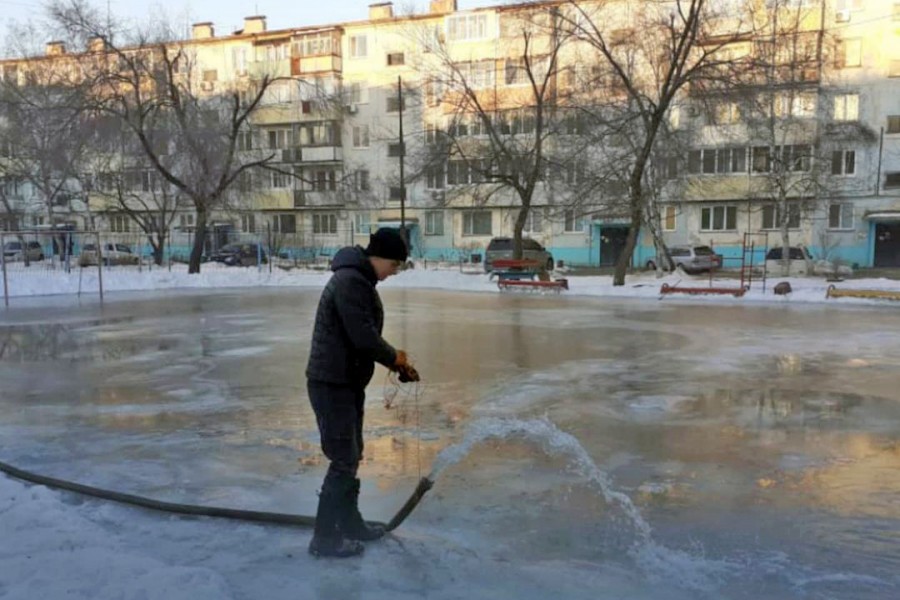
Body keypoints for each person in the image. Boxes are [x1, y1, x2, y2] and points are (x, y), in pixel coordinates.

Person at [305, 228, 420, 558]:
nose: (394, 272)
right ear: (379, 257)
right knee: (343, 458)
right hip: (331, 383)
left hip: (345, 381)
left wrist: (396, 364)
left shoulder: (358, 279)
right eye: (394, 265)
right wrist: (395, 358)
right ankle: (325, 539)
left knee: (351, 454)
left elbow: (362, 336)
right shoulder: (352, 281)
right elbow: (362, 336)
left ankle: (350, 523)